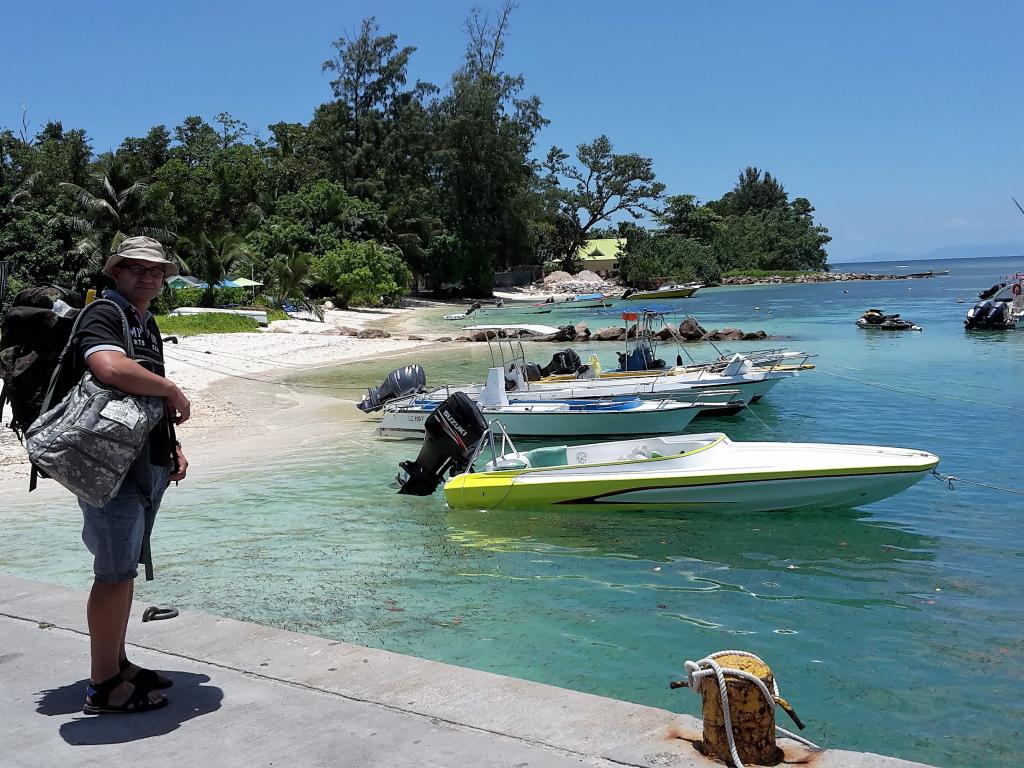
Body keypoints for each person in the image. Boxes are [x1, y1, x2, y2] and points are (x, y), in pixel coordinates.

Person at [71, 236, 190, 714]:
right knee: (113, 574)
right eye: (136, 268)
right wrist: (173, 389)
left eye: (155, 271)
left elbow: (145, 400)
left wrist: (173, 445)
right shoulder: (103, 314)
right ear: (116, 272)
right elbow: (109, 367)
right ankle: (102, 685)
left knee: (124, 571)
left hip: (148, 460)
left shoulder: (144, 320)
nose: (147, 276)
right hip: (111, 466)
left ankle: (118, 663)